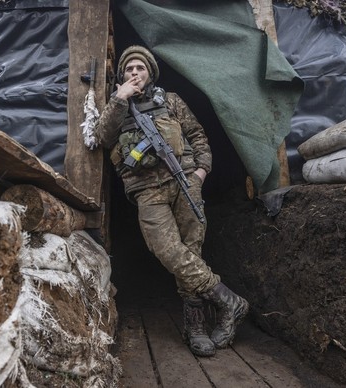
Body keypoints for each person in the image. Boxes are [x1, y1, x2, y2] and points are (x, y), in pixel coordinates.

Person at [94, 45, 249, 357]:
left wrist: (201, 173)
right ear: (122, 76)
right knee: (166, 249)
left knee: (191, 251)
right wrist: (118, 99)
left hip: (185, 182)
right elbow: (101, 136)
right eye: (128, 69)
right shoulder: (116, 106)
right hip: (147, 190)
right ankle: (228, 300)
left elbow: (198, 136)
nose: (134, 73)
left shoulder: (172, 101)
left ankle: (196, 327)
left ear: (150, 72)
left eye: (139, 68)